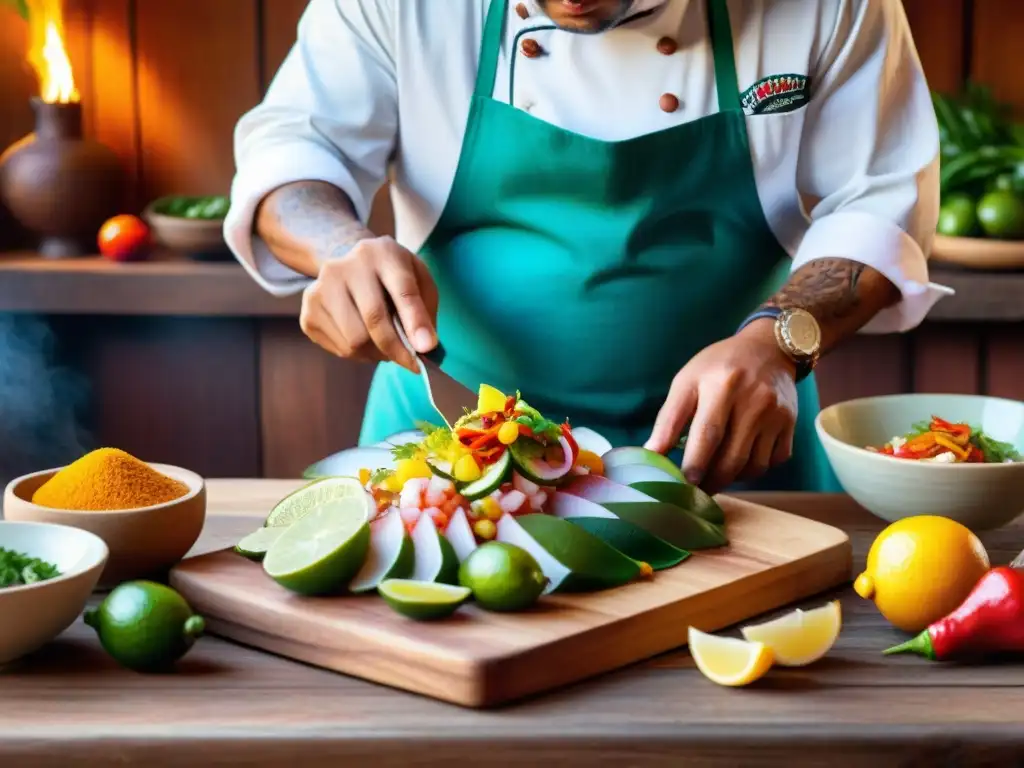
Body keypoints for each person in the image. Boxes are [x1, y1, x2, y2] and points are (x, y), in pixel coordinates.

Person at [225, 0, 952, 494]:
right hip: (446, 451)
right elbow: (296, 151)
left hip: (729, 453)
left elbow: (879, 199)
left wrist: (779, 343)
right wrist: (339, 247)